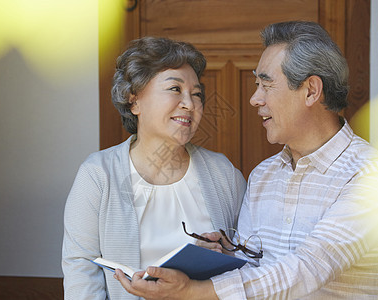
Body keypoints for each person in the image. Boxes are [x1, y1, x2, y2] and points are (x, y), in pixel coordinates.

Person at [115, 21, 378, 299]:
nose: (255, 99)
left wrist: (192, 292)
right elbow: (256, 270)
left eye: (266, 85)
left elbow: (308, 269)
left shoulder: (375, 177)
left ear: (311, 91)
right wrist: (228, 254)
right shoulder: (264, 176)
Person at [61, 36, 246, 300]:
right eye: (175, 89)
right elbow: (81, 269)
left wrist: (224, 254)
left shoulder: (223, 173)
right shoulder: (98, 175)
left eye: (197, 94)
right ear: (133, 100)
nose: (189, 104)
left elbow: (250, 260)